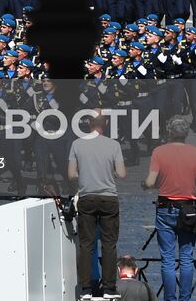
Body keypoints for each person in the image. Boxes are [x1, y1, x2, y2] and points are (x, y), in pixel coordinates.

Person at [141, 115, 196, 301]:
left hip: (165, 208)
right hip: (188, 209)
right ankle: (185, 298)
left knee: (168, 259)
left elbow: (150, 181)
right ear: (186, 133)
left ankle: (170, 298)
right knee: (187, 257)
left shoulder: (159, 152)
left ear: (169, 132)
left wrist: (146, 185)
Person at [67, 113, 126, 299]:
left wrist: (85, 173)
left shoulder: (77, 144)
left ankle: (86, 289)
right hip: (108, 197)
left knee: (86, 244)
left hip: (87, 197)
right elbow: (122, 173)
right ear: (105, 124)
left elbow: (71, 174)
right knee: (109, 244)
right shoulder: (113, 145)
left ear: (89, 124)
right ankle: (109, 288)